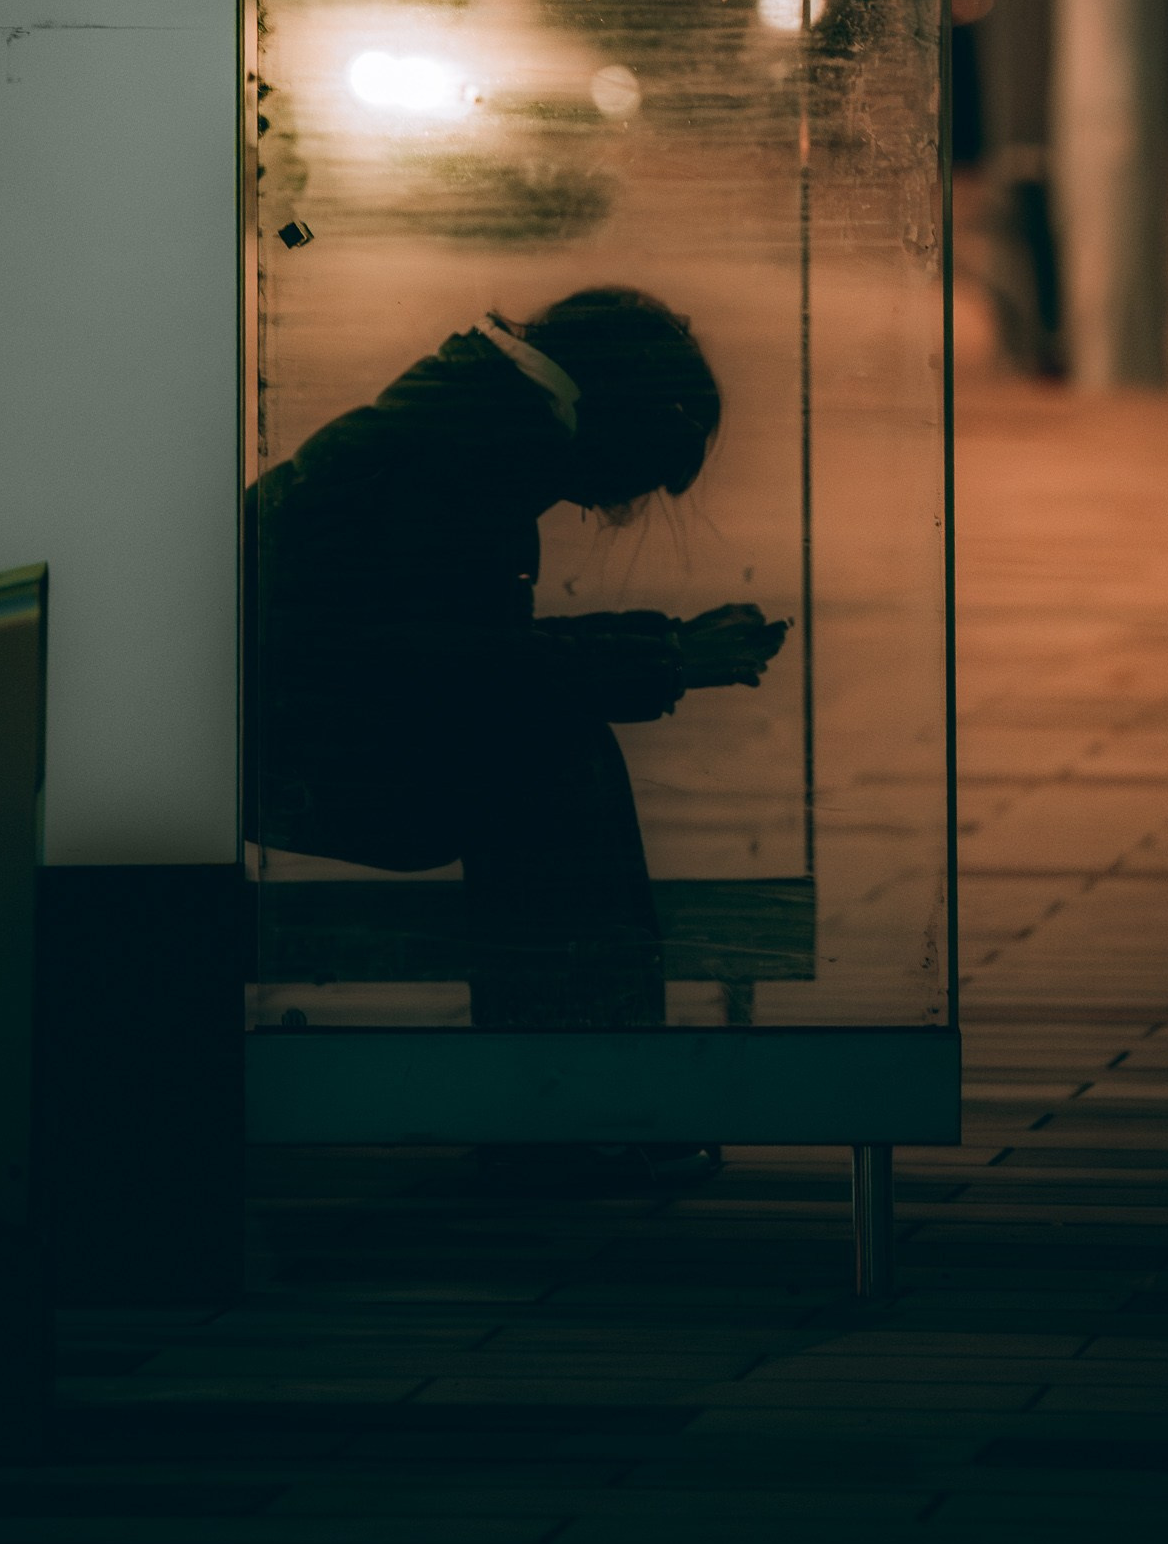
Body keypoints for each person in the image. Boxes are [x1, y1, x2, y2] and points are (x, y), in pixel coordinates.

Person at [249, 285, 787, 1035]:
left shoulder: (462, 428)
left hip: (291, 739)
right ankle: (579, 1110)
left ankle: (576, 1105)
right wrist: (666, 660)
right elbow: (471, 665)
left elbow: (463, 643)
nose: (602, 508)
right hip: (294, 762)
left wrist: (665, 646)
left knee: (551, 742)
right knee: (552, 755)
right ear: (618, 427)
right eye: (629, 482)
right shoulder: (463, 456)